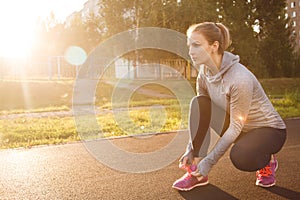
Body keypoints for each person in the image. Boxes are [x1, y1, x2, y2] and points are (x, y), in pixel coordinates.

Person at [172, 22, 287, 191]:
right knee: (198, 103)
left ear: (214, 46)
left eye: (196, 45)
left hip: (269, 130)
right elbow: (202, 113)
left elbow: (235, 126)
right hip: (242, 129)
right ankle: (196, 172)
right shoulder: (204, 72)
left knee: (241, 157)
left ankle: (267, 160)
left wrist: (209, 163)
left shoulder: (239, 78)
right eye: (189, 45)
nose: (190, 50)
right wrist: (190, 149)